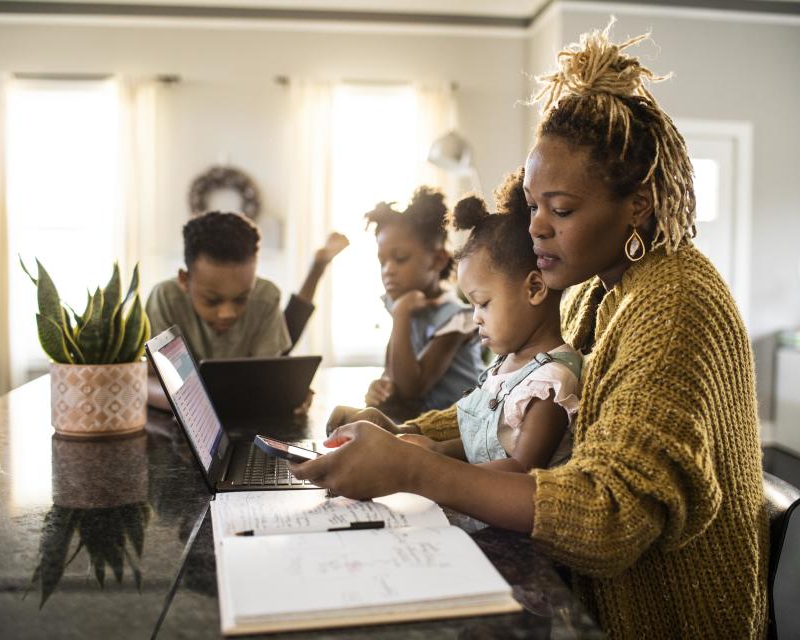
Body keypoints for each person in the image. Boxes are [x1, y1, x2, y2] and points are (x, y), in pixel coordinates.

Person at [293, 21, 767, 639]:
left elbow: (609, 516)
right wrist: (402, 437)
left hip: (661, 616)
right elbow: (504, 398)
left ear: (639, 206)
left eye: (562, 209)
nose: (537, 227)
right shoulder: (595, 288)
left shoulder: (676, 304)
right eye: (534, 204)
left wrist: (415, 470)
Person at [400, 171, 582, 472]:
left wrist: (429, 467)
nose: (476, 318)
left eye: (483, 304)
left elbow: (519, 469)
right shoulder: (506, 364)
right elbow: (485, 442)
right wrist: (435, 449)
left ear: (535, 288)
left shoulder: (550, 382)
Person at [146, 211, 348, 409]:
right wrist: (191, 403)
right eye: (212, 300)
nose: (228, 313)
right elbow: (144, 380)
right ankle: (318, 266)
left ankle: (317, 267)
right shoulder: (165, 298)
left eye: (242, 298)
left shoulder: (265, 295)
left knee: (286, 341)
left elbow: (267, 375)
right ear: (184, 280)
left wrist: (285, 391)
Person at [362, 187, 483, 421]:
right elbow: (394, 376)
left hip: (458, 429)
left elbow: (411, 388)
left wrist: (400, 315)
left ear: (437, 260)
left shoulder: (457, 318)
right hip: (417, 424)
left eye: (400, 259)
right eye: (382, 261)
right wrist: (381, 387)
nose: (388, 271)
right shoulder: (402, 306)